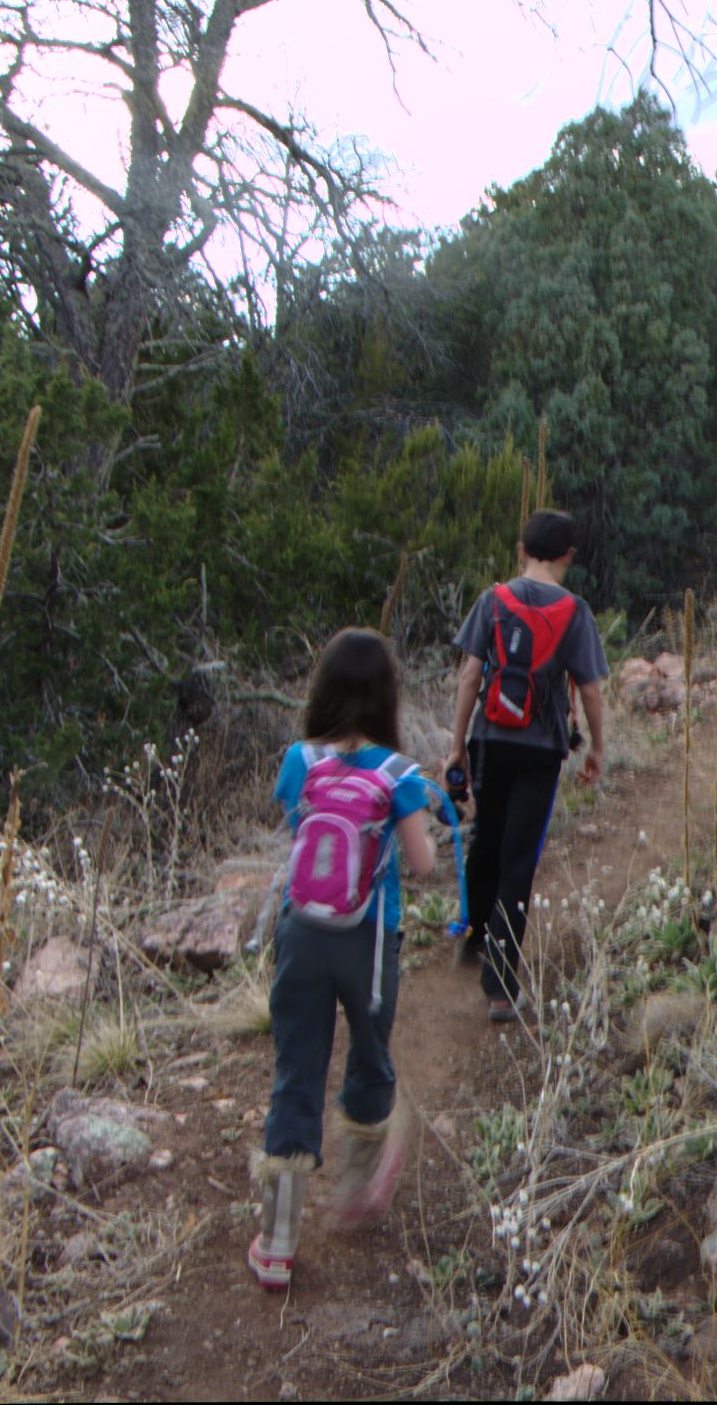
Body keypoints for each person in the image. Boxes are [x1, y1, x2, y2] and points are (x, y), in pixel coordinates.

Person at [248, 628, 435, 1290]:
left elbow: (300, 830)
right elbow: (422, 861)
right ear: (387, 695)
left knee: (295, 1068)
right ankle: (355, 1189)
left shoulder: (300, 758)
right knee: (368, 1056)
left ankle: (276, 1241)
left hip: (301, 934)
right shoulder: (399, 773)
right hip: (369, 939)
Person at [445, 510, 609, 1023]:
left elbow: (471, 675)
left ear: (521, 550)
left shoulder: (493, 600)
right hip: (542, 750)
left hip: (490, 739)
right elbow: (589, 687)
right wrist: (597, 746)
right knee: (519, 856)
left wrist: (456, 748)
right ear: (568, 556)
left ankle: (473, 938)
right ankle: (499, 987)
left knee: (486, 842)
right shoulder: (575, 611)